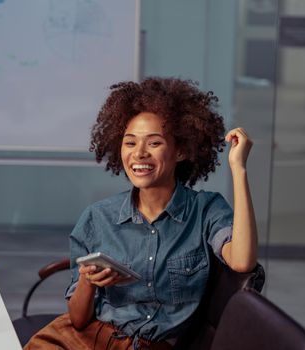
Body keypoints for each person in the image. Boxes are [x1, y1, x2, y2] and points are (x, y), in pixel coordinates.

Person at [24, 77, 258, 349]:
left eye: (154, 143)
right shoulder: (97, 218)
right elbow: (77, 320)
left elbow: (242, 262)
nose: (139, 154)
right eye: (130, 143)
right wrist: (88, 281)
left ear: (180, 150)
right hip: (80, 339)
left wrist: (238, 169)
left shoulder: (206, 210)